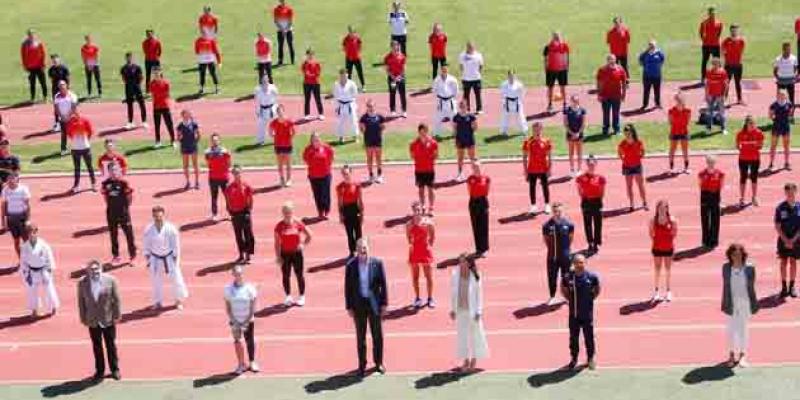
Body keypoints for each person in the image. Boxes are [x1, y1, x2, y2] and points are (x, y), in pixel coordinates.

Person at [345, 237, 387, 377]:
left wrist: (384, 304)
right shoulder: (350, 266)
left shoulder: (377, 263)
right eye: (360, 248)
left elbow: (383, 285)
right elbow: (348, 288)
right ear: (356, 250)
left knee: (377, 336)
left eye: (364, 248)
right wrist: (349, 307)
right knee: (361, 337)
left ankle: (378, 363)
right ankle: (362, 365)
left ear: (368, 248)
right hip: (358, 305)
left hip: (374, 305)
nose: (362, 250)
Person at [77, 260, 122, 381]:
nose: (94, 271)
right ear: (88, 271)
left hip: (108, 319)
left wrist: (117, 315)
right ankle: (100, 371)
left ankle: (115, 369)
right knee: (97, 347)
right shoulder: (82, 283)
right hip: (92, 320)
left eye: (97, 268)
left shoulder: (111, 280)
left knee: (111, 345)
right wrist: (83, 318)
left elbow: (116, 300)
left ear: (101, 269)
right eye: (92, 269)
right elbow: (81, 302)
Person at [142, 205, 188, 309]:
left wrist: (176, 259)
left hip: (169, 257)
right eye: (155, 217)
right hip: (155, 257)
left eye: (159, 216)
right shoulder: (149, 229)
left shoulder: (171, 229)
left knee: (176, 279)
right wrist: (147, 258)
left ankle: (178, 300)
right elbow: (146, 244)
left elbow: (176, 245)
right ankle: (158, 302)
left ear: (164, 216)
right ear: (153, 217)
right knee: (156, 281)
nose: (158, 219)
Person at [722, 243, 759, 367]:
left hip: (745, 302)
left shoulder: (750, 268)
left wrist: (753, 303)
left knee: (743, 328)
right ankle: (731, 355)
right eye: (734, 254)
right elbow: (726, 286)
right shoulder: (725, 268)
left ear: (743, 255)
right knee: (731, 330)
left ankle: (742, 355)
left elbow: (751, 287)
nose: (736, 257)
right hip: (731, 302)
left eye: (739, 254)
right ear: (730, 255)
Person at [449, 253, 488, 371]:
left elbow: (479, 295)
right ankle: (465, 360)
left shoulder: (476, 275)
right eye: (460, 262)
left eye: (463, 262)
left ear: (469, 263)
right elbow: (453, 294)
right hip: (461, 310)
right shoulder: (455, 275)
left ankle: (474, 360)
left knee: (476, 336)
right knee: (462, 337)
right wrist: (453, 310)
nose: (461, 264)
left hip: (473, 311)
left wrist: (479, 311)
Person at [561, 254, 600, 370]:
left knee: (589, 337)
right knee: (573, 338)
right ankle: (573, 359)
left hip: (587, 314)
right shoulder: (568, 277)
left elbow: (597, 290)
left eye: (582, 262)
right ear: (573, 264)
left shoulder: (592, 277)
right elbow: (564, 290)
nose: (579, 265)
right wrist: (571, 300)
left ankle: (590, 358)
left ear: (585, 263)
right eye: (577, 262)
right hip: (574, 315)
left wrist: (590, 299)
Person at [274, 202, 312, 306]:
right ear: (282, 213)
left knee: (299, 275)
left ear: (292, 212)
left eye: (289, 212)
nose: (287, 214)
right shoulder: (279, 226)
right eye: (285, 212)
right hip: (284, 254)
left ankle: (302, 296)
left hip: (297, 253)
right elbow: (277, 243)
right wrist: (278, 256)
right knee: (286, 275)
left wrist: (303, 245)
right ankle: (288, 296)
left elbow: (309, 235)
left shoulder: (297, 223)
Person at [225, 264, 259, 374]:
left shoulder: (250, 288)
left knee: (250, 340)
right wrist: (234, 321)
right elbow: (228, 307)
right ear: (233, 275)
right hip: (235, 321)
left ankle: (252, 362)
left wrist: (246, 321)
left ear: (242, 274)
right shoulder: (228, 289)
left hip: (248, 320)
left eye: (239, 274)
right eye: (235, 274)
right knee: (237, 341)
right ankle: (241, 364)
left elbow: (253, 307)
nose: (237, 276)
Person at [20, 223, 59, 317]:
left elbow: (50, 258)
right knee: (32, 291)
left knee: (49, 289)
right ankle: (34, 310)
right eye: (29, 233)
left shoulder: (44, 245)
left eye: (33, 232)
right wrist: (26, 273)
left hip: (43, 270)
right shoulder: (25, 247)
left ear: (36, 232)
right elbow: (23, 261)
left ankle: (53, 307)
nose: (31, 234)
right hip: (32, 271)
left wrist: (49, 270)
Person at [101, 163, 136, 266]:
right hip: (111, 212)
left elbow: (130, 197)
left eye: (115, 170)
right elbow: (105, 198)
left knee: (129, 234)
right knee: (113, 234)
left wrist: (126, 208)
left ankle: (132, 255)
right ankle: (116, 256)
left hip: (123, 212)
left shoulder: (124, 183)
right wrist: (111, 206)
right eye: (111, 170)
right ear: (109, 171)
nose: (113, 172)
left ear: (118, 170)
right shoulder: (105, 183)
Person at [542, 202, 573, 306]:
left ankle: (567, 297)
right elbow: (546, 240)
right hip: (552, 256)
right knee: (552, 277)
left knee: (567, 277)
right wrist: (553, 250)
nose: (557, 213)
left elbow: (570, 239)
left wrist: (565, 251)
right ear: (552, 212)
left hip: (565, 256)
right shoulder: (547, 226)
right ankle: (552, 296)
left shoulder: (569, 224)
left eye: (559, 211)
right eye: (555, 211)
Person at [407, 202, 435, 308]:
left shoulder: (429, 223)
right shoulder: (409, 225)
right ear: (413, 211)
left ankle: (430, 298)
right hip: (414, 251)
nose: (417, 212)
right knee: (415, 277)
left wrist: (427, 246)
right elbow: (408, 238)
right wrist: (414, 245)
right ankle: (418, 298)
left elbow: (432, 237)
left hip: (425, 251)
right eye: (415, 210)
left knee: (428, 276)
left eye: (419, 210)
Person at [225, 166, 255, 264]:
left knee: (248, 234)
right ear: (232, 174)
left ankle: (248, 254)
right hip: (235, 213)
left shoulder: (246, 186)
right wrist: (230, 212)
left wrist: (249, 211)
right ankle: (241, 254)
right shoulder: (229, 187)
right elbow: (228, 200)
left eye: (238, 173)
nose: (236, 175)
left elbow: (250, 199)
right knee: (238, 235)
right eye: (234, 173)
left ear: (241, 173)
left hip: (244, 212)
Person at [576, 156, 606, 254]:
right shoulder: (580, 178)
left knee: (598, 223)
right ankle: (590, 242)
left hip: (597, 201)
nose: (591, 166)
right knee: (587, 223)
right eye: (589, 164)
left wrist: (599, 200)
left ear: (596, 164)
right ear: (587, 165)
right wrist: (584, 199)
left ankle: (597, 242)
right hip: (586, 201)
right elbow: (579, 190)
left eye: (593, 164)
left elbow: (602, 191)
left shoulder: (601, 178)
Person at [649, 200, 677, 302]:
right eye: (660, 208)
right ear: (657, 209)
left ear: (667, 209)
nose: (662, 210)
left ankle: (668, 291)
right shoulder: (653, 220)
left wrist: (667, 242)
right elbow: (651, 233)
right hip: (657, 247)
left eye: (664, 208)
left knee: (668, 270)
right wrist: (657, 241)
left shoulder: (672, 220)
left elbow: (674, 233)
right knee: (657, 270)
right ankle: (656, 291)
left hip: (668, 248)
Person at [775, 183, 800, 298]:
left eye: (792, 192)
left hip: (796, 239)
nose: (790, 194)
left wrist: (793, 240)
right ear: (785, 193)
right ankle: (784, 287)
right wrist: (785, 239)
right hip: (783, 239)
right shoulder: (780, 208)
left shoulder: (799, 207)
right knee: (783, 262)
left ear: (796, 192)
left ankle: (792, 287)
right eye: (788, 192)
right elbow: (777, 225)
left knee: (793, 262)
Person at [303, 132, 335, 218]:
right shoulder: (308, 149)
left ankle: (326, 210)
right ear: (311, 141)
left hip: (325, 175)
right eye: (314, 140)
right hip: (313, 176)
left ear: (320, 140)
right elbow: (306, 159)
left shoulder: (326, 148)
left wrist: (327, 166)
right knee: (317, 195)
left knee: (325, 194)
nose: (316, 142)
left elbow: (331, 157)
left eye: (317, 140)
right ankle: (320, 211)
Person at [522, 122, 552, 215]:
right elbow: (524, 157)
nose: (537, 131)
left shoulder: (546, 141)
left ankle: (547, 205)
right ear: (532, 130)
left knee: (545, 187)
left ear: (542, 129)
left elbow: (549, 156)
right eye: (535, 130)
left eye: (539, 129)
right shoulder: (527, 142)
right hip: (532, 169)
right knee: (532, 187)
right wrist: (525, 171)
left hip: (543, 168)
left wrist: (549, 169)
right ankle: (533, 206)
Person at [66, 107, 97, 193]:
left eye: (75, 112)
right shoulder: (70, 123)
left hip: (85, 147)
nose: (74, 114)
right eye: (72, 112)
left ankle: (93, 183)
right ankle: (76, 185)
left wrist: (86, 140)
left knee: (89, 167)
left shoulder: (85, 121)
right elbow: (69, 133)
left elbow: (90, 132)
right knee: (77, 168)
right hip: (75, 148)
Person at [617, 124, 648, 211]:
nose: (627, 134)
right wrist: (623, 159)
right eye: (625, 133)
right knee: (629, 186)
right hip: (627, 166)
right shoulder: (623, 143)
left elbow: (643, 151)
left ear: (632, 132)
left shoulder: (638, 142)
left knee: (640, 185)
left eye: (629, 132)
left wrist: (639, 157)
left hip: (637, 166)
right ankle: (631, 204)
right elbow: (619, 152)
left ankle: (644, 202)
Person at [409, 123, 438, 214]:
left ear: (427, 131)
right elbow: (412, 156)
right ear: (419, 132)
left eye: (425, 131)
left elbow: (436, 155)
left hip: (429, 170)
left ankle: (431, 208)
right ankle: (423, 206)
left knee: (431, 189)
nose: (423, 134)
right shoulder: (413, 144)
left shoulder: (433, 143)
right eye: (421, 132)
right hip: (419, 170)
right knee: (421, 189)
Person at [735, 116, 764, 206]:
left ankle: (754, 197)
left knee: (754, 178)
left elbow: (761, 146)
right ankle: (742, 198)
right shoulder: (740, 134)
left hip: (755, 159)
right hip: (743, 159)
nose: (752, 125)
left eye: (753, 124)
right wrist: (744, 150)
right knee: (743, 178)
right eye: (750, 124)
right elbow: (737, 146)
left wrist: (752, 148)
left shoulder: (759, 133)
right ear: (746, 124)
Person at [336, 165, 364, 258]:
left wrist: (362, 214)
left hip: (355, 209)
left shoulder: (357, 185)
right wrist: (340, 215)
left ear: (350, 173)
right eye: (344, 174)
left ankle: (360, 250)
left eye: (347, 173)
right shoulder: (340, 187)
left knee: (358, 232)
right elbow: (339, 202)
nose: (346, 175)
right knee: (349, 233)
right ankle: (352, 252)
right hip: (346, 211)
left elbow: (360, 200)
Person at [2, 172, 30, 261]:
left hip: (22, 218)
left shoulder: (23, 189)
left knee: (26, 241)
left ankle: (29, 259)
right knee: (16, 241)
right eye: (8, 179)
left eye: (12, 179)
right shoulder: (5, 190)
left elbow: (28, 205)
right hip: (11, 219)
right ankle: (21, 259)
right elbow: (4, 206)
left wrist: (28, 220)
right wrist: (3, 221)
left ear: (17, 179)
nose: (10, 181)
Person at [596, 54, 627, 136]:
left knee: (616, 113)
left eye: (613, 59)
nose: (611, 61)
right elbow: (599, 82)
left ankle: (616, 129)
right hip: (605, 96)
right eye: (610, 59)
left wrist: (623, 94)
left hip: (616, 95)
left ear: (615, 60)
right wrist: (599, 94)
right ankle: (605, 129)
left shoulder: (620, 69)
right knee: (606, 113)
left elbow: (624, 82)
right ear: (607, 60)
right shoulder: (602, 70)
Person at [698, 155, 724, 248]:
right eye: (709, 162)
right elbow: (700, 185)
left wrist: (719, 199)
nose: (711, 164)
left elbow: (721, 186)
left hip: (715, 195)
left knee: (715, 218)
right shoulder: (701, 173)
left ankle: (714, 240)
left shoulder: (720, 173)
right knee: (704, 218)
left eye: (712, 162)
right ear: (706, 162)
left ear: (715, 163)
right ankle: (705, 240)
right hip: (705, 195)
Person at [205, 133, 232, 221]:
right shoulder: (208, 152)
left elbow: (229, 163)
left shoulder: (225, 152)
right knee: (214, 197)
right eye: (213, 140)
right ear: (211, 141)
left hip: (224, 178)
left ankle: (230, 213)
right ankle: (214, 214)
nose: (215, 142)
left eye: (216, 140)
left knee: (227, 196)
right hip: (213, 178)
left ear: (219, 141)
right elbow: (208, 164)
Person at [466, 160, 490, 257]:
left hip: (483, 202)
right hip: (473, 202)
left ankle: (484, 248)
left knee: (484, 225)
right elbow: (469, 190)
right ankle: (478, 249)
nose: (476, 169)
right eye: (474, 167)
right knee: (475, 225)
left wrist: (481, 197)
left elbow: (487, 190)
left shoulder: (486, 178)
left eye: (477, 167)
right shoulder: (470, 179)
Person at [359, 99, 386, 183]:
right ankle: (371, 175)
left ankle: (379, 175)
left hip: (377, 140)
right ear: (367, 107)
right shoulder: (363, 118)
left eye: (372, 106)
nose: (371, 108)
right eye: (369, 106)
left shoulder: (380, 117)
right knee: (369, 158)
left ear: (374, 106)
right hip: (368, 140)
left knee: (378, 158)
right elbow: (361, 129)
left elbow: (383, 127)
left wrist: (380, 134)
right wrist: (362, 129)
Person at [543, 32, 569, 112]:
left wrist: (567, 67)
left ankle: (565, 104)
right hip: (551, 70)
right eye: (555, 37)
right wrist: (545, 68)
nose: (557, 38)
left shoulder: (564, 46)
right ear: (552, 38)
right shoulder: (547, 47)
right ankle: (550, 105)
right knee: (550, 88)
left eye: (558, 36)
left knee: (563, 88)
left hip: (562, 70)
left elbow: (566, 57)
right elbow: (545, 59)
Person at [120, 52, 147, 130]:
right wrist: (128, 84)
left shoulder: (137, 67)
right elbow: (123, 78)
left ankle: (144, 121)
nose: (129, 59)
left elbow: (141, 77)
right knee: (130, 105)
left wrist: (137, 84)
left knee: (141, 103)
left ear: (132, 58)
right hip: (128, 88)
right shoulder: (123, 68)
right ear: (126, 58)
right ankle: (130, 122)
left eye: (130, 57)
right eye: (127, 57)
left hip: (137, 87)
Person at [270, 105, 296, 187]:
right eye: (278, 112)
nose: (280, 113)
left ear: (283, 112)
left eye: (281, 111)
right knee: (280, 163)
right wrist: (273, 135)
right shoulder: (274, 122)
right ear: (277, 113)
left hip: (287, 145)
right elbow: (270, 131)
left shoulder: (289, 121)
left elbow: (293, 132)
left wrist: (289, 138)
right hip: (278, 145)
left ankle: (288, 179)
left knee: (288, 163)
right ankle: (281, 179)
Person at [768, 90, 794, 171]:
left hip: (786, 127)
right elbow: (770, 115)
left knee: (786, 146)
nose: (782, 96)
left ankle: (787, 163)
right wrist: (776, 120)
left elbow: (790, 114)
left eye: (783, 95)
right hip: (776, 127)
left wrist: (786, 120)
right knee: (773, 145)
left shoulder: (789, 104)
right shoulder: (773, 105)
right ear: (777, 96)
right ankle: (771, 163)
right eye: (780, 95)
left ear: (786, 95)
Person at [452, 100, 477, 182]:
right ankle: (460, 174)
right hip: (460, 139)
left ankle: (475, 173)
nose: (463, 107)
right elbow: (455, 129)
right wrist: (455, 139)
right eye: (461, 106)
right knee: (460, 158)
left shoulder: (471, 116)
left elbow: (475, 127)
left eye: (464, 106)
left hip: (469, 139)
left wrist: (473, 126)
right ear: (460, 107)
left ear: (467, 106)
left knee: (472, 157)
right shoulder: (456, 117)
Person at [333, 68, 360, 143]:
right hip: (341, 105)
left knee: (353, 121)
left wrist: (353, 104)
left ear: (347, 75)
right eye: (342, 75)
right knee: (340, 122)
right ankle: (341, 137)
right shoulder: (336, 84)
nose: (343, 77)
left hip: (349, 104)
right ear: (340, 76)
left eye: (345, 75)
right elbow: (335, 95)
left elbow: (355, 94)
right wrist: (336, 106)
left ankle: (355, 136)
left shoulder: (352, 84)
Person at [149, 68, 175, 147]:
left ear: (160, 73)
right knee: (157, 125)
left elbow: (168, 94)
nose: (156, 74)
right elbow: (152, 95)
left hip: (165, 106)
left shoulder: (165, 83)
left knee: (169, 124)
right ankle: (158, 141)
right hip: (156, 106)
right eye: (154, 73)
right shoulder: (151, 83)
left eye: (157, 72)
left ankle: (173, 141)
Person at [431, 65, 459, 137]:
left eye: (445, 69)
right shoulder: (437, 80)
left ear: (448, 70)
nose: (444, 71)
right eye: (443, 69)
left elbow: (456, 90)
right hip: (441, 101)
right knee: (437, 118)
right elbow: (434, 90)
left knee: (454, 118)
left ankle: (455, 133)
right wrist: (438, 99)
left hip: (450, 101)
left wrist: (453, 99)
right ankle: (436, 134)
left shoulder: (452, 79)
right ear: (440, 70)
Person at [20, 29, 48, 101]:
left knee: (43, 82)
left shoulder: (39, 43)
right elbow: (23, 55)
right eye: (30, 34)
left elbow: (43, 53)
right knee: (32, 83)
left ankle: (45, 97)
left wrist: (43, 63)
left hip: (39, 66)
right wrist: (25, 65)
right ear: (28, 35)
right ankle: (32, 97)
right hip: (31, 67)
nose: (31, 36)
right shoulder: (24, 44)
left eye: (32, 34)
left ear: (35, 34)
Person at [177, 109, 201, 190]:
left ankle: (197, 182)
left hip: (193, 146)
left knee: (195, 164)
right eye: (185, 114)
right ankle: (188, 182)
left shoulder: (194, 124)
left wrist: (195, 142)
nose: (186, 116)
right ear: (182, 116)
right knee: (185, 165)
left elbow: (198, 134)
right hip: (184, 146)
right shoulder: (180, 125)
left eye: (188, 114)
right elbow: (178, 136)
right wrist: (180, 139)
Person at [667, 92, 692, 173]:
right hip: (674, 132)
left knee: (685, 150)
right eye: (677, 101)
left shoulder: (688, 111)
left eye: (680, 101)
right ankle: (671, 167)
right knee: (672, 150)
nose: (679, 102)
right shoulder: (671, 111)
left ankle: (686, 167)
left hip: (684, 132)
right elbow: (670, 122)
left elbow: (688, 122)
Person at [499, 70, 528, 137]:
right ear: (508, 76)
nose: (511, 77)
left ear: (515, 76)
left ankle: (523, 130)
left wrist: (520, 101)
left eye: (512, 76)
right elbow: (502, 94)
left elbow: (522, 93)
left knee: (520, 116)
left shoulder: (519, 84)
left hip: (517, 102)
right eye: (510, 76)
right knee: (505, 117)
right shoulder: (504, 84)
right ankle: (504, 131)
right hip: (507, 102)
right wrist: (503, 102)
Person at [721, 25, 746, 105]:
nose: (734, 32)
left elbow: (741, 53)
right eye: (732, 30)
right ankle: (724, 99)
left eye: (735, 30)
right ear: (730, 31)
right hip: (728, 65)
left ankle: (739, 99)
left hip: (738, 65)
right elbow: (722, 52)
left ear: (738, 31)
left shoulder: (741, 41)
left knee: (738, 82)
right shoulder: (726, 41)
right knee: (726, 83)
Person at [52, 80, 78, 154]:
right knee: (64, 134)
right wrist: (62, 116)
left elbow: (73, 107)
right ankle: (63, 149)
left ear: (66, 86)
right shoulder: (57, 96)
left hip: (72, 117)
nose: (62, 87)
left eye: (63, 85)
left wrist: (68, 116)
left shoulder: (72, 95)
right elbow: (56, 108)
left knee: (73, 133)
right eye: (60, 86)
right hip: (62, 118)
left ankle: (76, 147)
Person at [638, 39, 666, 109]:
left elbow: (662, 59)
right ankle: (645, 105)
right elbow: (640, 60)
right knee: (646, 91)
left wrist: (658, 67)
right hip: (647, 76)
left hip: (657, 76)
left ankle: (658, 103)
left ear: (655, 46)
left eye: (653, 45)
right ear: (648, 46)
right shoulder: (645, 53)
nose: (652, 47)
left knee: (657, 91)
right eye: (650, 45)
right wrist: (645, 66)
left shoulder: (659, 53)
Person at [699, 6, 723, 84]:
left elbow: (719, 33)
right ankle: (703, 78)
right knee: (704, 62)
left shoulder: (719, 23)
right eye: (710, 13)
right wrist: (704, 40)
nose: (712, 14)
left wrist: (715, 40)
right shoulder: (704, 23)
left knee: (717, 62)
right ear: (708, 14)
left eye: (713, 13)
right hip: (706, 46)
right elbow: (701, 33)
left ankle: (719, 77)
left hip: (715, 45)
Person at [705, 57, 729, 135]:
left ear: (719, 64)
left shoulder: (723, 72)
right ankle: (709, 127)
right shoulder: (709, 72)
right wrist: (706, 94)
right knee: (709, 112)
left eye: (716, 64)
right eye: (713, 64)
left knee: (721, 112)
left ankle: (723, 128)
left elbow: (726, 85)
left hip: (720, 95)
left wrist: (724, 95)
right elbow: (707, 84)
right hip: (711, 94)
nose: (715, 65)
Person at [563, 95, 586, 176]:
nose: (574, 102)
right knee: (571, 152)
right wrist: (572, 133)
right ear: (571, 101)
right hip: (570, 133)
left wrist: (578, 133)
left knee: (579, 152)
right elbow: (565, 123)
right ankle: (572, 169)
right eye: (573, 100)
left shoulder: (582, 110)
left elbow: (583, 123)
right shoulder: (566, 110)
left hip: (579, 134)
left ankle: (579, 169)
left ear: (578, 101)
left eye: (576, 101)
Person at [459, 41, 484, 114]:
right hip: (466, 79)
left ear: (474, 47)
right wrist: (465, 73)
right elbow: (461, 66)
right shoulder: (462, 55)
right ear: (467, 47)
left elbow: (481, 65)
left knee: (478, 94)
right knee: (466, 95)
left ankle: (479, 109)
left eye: (472, 47)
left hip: (476, 78)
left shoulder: (478, 55)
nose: (470, 48)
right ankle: (467, 109)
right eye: (469, 47)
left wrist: (477, 73)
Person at [384, 41, 407, 117]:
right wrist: (393, 77)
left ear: (398, 46)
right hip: (392, 79)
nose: (395, 47)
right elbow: (387, 69)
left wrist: (399, 77)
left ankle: (404, 110)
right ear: (391, 47)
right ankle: (393, 110)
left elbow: (404, 69)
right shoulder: (387, 57)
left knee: (402, 94)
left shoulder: (402, 56)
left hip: (401, 78)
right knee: (392, 93)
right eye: (393, 46)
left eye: (396, 45)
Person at [773, 42, 798, 111]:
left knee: (791, 99)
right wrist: (778, 78)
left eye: (789, 49)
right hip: (781, 81)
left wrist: (793, 77)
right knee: (780, 99)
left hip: (790, 81)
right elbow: (775, 71)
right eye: (787, 49)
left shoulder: (794, 58)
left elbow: (795, 68)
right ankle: (780, 114)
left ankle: (791, 115)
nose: (788, 51)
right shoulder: (778, 59)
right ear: (783, 50)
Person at [255, 75, 279, 146]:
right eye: (263, 80)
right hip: (262, 108)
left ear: (268, 80)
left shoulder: (272, 87)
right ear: (261, 80)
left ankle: (277, 139)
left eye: (266, 80)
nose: (265, 81)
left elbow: (276, 96)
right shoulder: (257, 88)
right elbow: (257, 99)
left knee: (275, 125)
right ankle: (260, 141)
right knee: (261, 125)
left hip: (271, 108)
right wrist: (258, 110)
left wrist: (276, 108)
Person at [301, 49, 324, 120]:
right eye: (308, 55)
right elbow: (304, 72)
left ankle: (321, 114)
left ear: (313, 55)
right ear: (306, 55)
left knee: (318, 99)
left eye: (311, 54)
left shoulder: (317, 63)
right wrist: (310, 75)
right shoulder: (304, 64)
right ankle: (307, 114)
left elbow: (317, 73)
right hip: (306, 84)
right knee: (307, 99)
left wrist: (310, 75)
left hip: (316, 83)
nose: (310, 56)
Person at [606, 16, 631, 82]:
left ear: (621, 22)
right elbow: (608, 41)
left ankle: (626, 80)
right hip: (614, 54)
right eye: (615, 23)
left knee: (624, 66)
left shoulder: (625, 31)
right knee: (614, 67)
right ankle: (616, 80)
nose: (616, 24)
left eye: (618, 22)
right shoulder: (610, 32)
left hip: (623, 52)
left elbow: (628, 40)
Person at [343, 26, 365, 90]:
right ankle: (348, 86)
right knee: (348, 73)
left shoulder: (357, 38)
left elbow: (360, 45)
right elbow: (344, 47)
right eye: (350, 32)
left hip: (356, 58)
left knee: (360, 72)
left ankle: (363, 85)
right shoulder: (346, 39)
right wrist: (347, 54)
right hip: (349, 58)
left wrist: (358, 53)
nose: (351, 34)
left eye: (352, 32)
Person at [273, 0, 295, 65]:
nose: (282, 2)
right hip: (280, 30)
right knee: (280, 46)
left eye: (283, 1)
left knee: (290, 45)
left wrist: (286, 30)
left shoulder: (289, 9)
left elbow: (291, 21)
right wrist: (282, 29)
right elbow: (276, 21)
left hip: (288, 30)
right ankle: (280, 61)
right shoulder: (276, 9)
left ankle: (292, 61)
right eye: (281, 1)